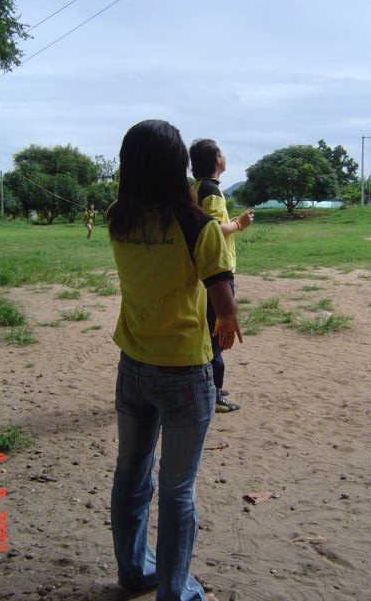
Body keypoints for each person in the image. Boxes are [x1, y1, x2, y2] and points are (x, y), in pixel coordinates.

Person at [107, 120, 242, 601]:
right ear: (177, 165)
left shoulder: (117, 219)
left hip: (133, 365)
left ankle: (133, 571)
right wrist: (228, 321)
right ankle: (174, 591)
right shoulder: (198, 225)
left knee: (130, 473)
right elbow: (224, 303)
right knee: (178, 489)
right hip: (184, 372)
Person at [190, 139, 254, 414]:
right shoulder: (212, 190)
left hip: (203, 269)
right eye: (223, 153)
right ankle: (213, 393)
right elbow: (214, 228)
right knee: (217, 332)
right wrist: (239, 224)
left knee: (208, 329)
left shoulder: (196, 187)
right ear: (217, 160)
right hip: (217, 269)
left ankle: (208, 385)